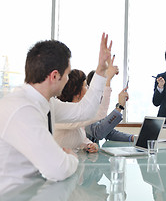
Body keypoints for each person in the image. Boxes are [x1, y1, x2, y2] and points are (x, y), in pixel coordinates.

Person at [0, 33, 112, 194]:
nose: (67, 79)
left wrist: (101, 71)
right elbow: (58, 168)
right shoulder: (23, 108)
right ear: (54, 76)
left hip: (35, 191)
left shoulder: (45, 102)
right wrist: (72, 158)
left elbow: (85, 111)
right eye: (66, 74)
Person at [85, 70, 134, 143]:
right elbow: (99, 132)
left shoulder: (96, 109)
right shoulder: (85, 108)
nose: (108, 91)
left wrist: (132, 138)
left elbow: (108, 132)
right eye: (106, 87)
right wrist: (119, 106)